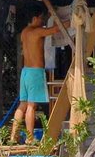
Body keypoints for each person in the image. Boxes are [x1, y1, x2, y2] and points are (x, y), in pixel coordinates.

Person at [13, 9, 61, 143]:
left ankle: (13, 137)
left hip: (25, 71)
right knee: (31, 106)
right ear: (34, 18)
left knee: (22, 105)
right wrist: (71, 22)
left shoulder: (24, 32)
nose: (42, 21)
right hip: (35, 72)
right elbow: (55, 30)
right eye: (41, 19)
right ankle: (29, 138)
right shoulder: (37, 31)